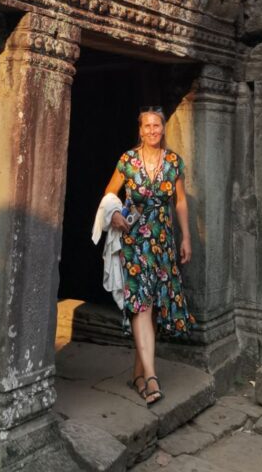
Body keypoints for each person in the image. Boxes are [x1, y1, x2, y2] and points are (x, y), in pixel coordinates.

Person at [102, 106, 195, 405]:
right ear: (140, 130)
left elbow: (180, 201)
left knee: (153, 305)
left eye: (157, 125)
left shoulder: (173, 162)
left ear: (163, 128)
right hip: (135, 240)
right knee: (141, 304)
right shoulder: (128, 160)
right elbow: (109, 194)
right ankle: (152, 377)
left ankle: (137, 374)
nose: (152, 130)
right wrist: (115, 213)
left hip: (163, 240)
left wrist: (186, 237)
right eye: (147, 126)